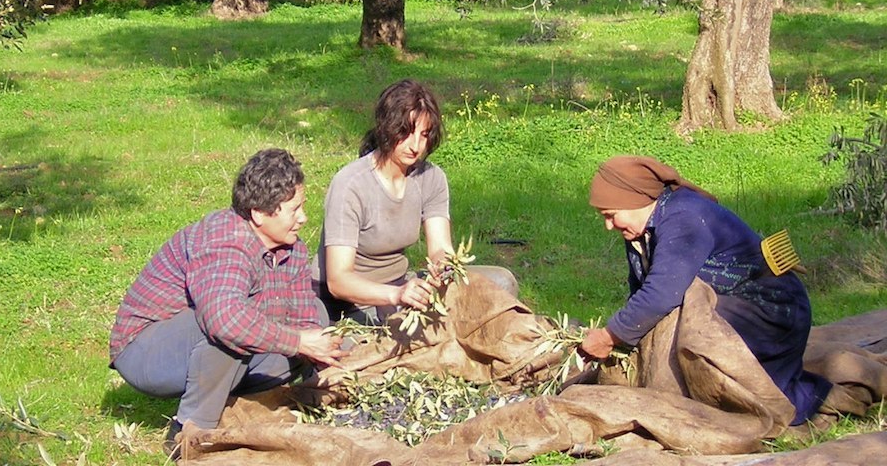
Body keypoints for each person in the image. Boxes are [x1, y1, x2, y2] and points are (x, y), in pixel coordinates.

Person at [108, 148, 348, 455]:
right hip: (146, 351)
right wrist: (298, 341)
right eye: (294, 210)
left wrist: (322, 363)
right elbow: (225, 320)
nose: (304, 218)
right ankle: (190, 432)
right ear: (260, 214)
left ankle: (231, 397)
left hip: (207, 338)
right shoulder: (225, 240)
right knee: (234, 328)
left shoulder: (292, 248)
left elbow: (303, 315)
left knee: (314, 314)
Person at [578, 154, 831, 425]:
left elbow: (662, 294)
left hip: (772, 314)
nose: (608, 225)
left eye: (611, 215)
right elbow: (640, 291)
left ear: (635, 201)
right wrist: (627, 339)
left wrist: (609, 336)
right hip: (734, 308)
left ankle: (797, 398)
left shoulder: (684, 218)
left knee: (685, 320)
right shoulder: (641, 230)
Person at [312, 79, 518, 325]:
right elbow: (339, 281)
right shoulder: (350, 184)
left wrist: (444, 269)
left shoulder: (431, 178)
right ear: (387, 128)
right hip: (346, 302)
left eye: (424, 135)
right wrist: (396, 294)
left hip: (400, 286)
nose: (416, 146)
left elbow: (440, 247)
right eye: (407, 133)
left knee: (502, 282)